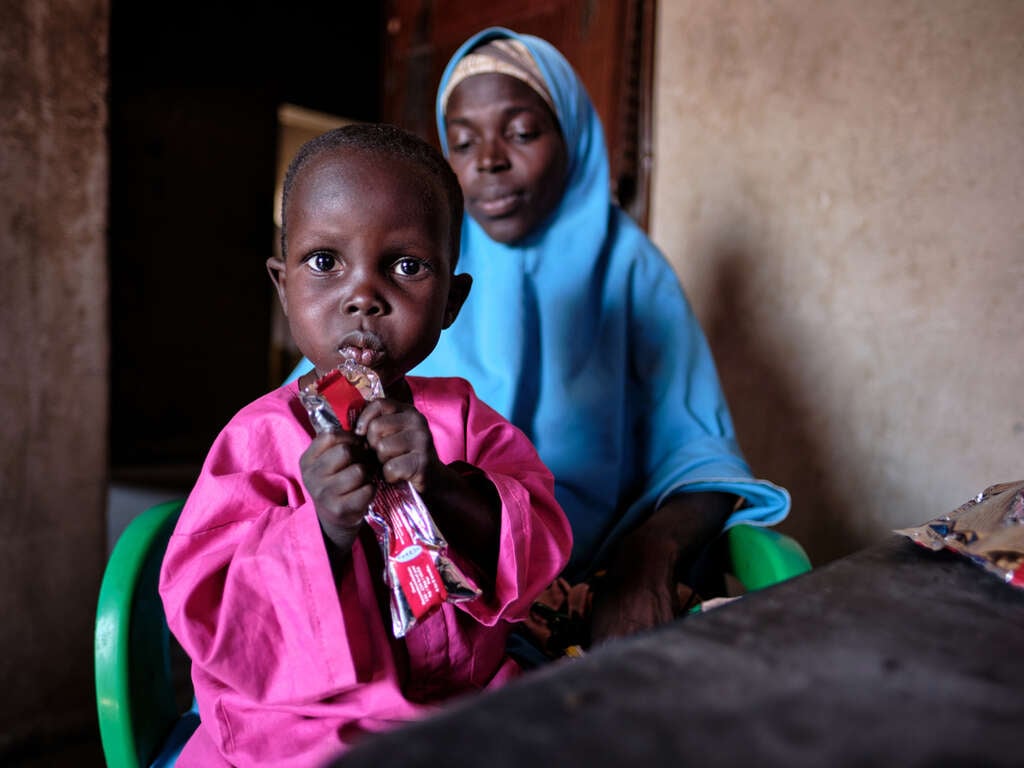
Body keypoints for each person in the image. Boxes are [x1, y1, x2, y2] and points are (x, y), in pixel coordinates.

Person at [287, 27, 791, 662]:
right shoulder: (400, 270)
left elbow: (701, 459)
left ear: (573, 139)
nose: (489, 161)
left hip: (582, 580)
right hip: (431, 595)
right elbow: (289, 454)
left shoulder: (631, 274)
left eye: (521, 133)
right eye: (462, 143)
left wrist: (644, 560)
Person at [159, 123, 572, 767]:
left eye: (406, 266)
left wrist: (443, 484)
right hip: (300, 734)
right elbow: (212, 609)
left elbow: (538, 543)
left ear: (451, 301)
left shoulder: (465, 420)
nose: (362, 297)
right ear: (282, 284)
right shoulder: (256, 439)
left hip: (465, 713)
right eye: (325, 262)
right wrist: (321, 529)